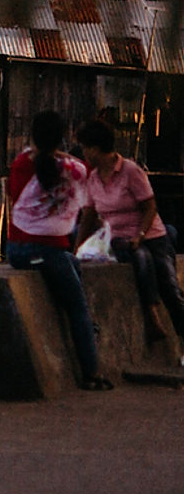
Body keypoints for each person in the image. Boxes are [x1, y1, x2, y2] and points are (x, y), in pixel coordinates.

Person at [5, 111, 112, 390]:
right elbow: (88, 174)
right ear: (61, 139)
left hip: (17, 251)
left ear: (33, 136)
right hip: (49, 252)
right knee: (78, 307)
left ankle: (88, 348)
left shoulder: (21, 164)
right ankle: (90, 373)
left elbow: (12, 194)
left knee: (70, 265)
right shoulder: (75, 169)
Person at [77, 119, 184, 347]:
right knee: (140, 256)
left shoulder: (130, 171)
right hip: (119, 238)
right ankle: (152, 315)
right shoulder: (93, 179)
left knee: (170, 287)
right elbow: (88, 216)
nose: (84, 153)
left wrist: (141, 235)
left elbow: (150, 207)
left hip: (152, 235)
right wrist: (76, 249)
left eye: (85, 148)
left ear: (95, 149)